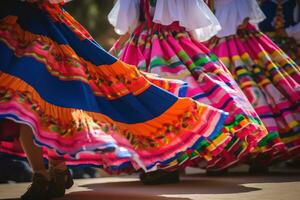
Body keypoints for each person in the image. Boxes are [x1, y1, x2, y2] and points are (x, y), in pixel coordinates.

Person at [0, 0, 236, 199]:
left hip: (51, 33)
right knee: (24, 103)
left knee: (55, 100)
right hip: (17, 31)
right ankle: (43, 174)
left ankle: (55, 171)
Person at [108, 0, 268, 182]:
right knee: (175, 96)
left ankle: (161, 162)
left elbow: (129, 20)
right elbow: (191, 20)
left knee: (149, 100)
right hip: (172, 41)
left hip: (144, 43)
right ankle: (165, 161)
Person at [206, 0, 300, 172]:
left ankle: (259, 150)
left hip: (233, 41)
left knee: (237, 92)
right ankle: (248, 152)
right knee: (251, 91)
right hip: (235, 40)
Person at [259, 0, 300, 65]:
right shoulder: (264, 4)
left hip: (293, 49)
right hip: (267, 48)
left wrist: (289, 31)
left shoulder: (293, 4)